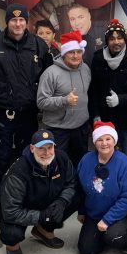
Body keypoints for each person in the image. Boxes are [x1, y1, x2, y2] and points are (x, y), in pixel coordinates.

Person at [0, 3, 49, 204]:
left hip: (27, 112)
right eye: (13, 20)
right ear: (7, 22)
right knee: (1, 157)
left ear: (26, 22)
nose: (17, 23)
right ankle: (1, 198)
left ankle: (23, 196)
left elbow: (48, 74)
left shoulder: (38, 44)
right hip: (0, 113)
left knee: (27, 156)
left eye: (21, 20)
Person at [0, 129, 80, 254]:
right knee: (11, 233)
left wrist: (61, 201)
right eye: (41, 148)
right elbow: (10, 212)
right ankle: (12, 246)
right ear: (32, 148)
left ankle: (43, 230)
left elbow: (71, 183)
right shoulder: (18, 172)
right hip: (21, 207)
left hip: (46, 200)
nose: (47, 153)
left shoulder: (61, 159)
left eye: (50, 147)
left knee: (75, 197)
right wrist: (42, 216)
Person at [76, 122, 127, 254]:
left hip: (121, 212)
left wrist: (107, 220)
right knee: (87, 250)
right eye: (99, 139)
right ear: (94, 142)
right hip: (94, 212)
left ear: (114, 141)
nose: (104, 143)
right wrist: (81, 211)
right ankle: (102, 235)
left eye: (108, 139)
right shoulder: (86, 160)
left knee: (115, 237)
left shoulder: (124, 163)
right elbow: (80, 189)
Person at [89, 19, 127, 162]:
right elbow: (93, 91)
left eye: (120, 38)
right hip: (104, 121)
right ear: (106, 41)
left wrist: (120, 99)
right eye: (112, 39)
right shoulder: (98, 59)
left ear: (125, 39)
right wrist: (95, 116)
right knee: (103, 158)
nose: (116, 42)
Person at [37, 30, 92, 165]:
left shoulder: (85, 69)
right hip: (58, 130)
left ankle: (76, 186)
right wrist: (64, 100)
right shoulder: (51, 73)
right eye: (71, 52)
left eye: (78, 52)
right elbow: (41, 102)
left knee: (79, 162)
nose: (75, 56)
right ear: (64, 53)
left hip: (80, 128)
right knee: (58, 165)